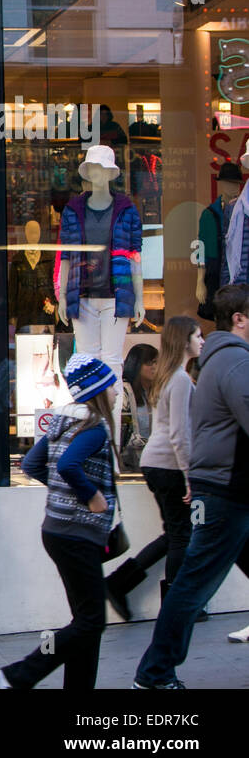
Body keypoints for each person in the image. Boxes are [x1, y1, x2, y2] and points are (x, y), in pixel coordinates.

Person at [133, 285, 249, 689]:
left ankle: (155, 671)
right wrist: (190, 479)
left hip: (223, 489)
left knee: (189, 573)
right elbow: (185, 435)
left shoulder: (215, 363)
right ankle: (154, 673)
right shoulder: (233, 363)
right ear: (239, 318)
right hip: (224, 492)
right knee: (191, 581)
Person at [0, 354, 118, 690]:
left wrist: (66, 493)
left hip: (57, 530)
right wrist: (90, 496)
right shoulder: (95, 427)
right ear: (98, 390)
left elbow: (35, 465)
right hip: (78, 534)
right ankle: (22, 672)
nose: (116, 392)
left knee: (85, 621)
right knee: (92, 620)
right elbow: (67, 465)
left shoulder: (64, 419)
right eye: (111, 386)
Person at [107, 318, 203, 621]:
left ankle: (120, 583)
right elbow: (179, 433)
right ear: (185, 340)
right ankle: (177, 602)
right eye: (198, 336)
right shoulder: (180, 380)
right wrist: (189, 476)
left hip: (157, 463)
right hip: (169, 465)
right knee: (182, 534)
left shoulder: (169, 376)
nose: (202, 341)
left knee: (176, 532)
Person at [119, 343, 159, 471]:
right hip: (130, 463)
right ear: (137, 365)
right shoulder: (124, 392)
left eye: (157, 362)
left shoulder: (159, 392)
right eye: (150, 363)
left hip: (155, 461)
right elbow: (122, 432)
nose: (155, 367)